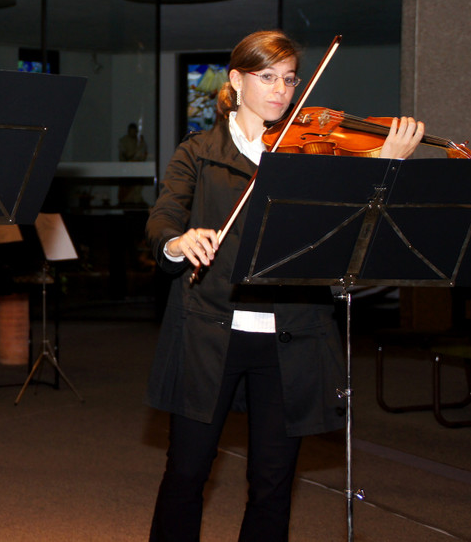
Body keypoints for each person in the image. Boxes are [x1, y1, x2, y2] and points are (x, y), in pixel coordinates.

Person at [144, 30, 424, 542]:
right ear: (236, 80)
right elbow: (163, 217)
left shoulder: (312, 154)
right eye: (267, 77)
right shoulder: (198, 152)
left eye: (290, 79)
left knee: (273, 482)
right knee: (186, 471)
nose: (280, 90)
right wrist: (178, 241)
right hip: (209, 328)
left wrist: (388, 166)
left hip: (290, 333)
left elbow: (357, 232)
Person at [117, 122, 148, 205]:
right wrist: (133, 153)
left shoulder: (140, 141)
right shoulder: (124, 141)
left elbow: (143, 154)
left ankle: (136, 199)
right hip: (127, 169)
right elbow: (125, 155)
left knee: (137, 186)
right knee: (127, 187)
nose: (133, 133)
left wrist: (140, 147)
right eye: (131, 131)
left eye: (134, 131)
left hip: (137, 169)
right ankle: (127, 200)